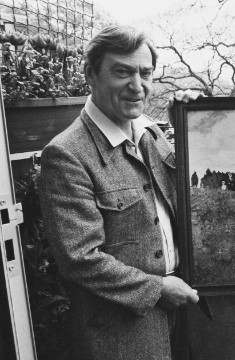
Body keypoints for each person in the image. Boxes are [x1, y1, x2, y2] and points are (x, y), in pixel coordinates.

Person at [39, 25, 199, 360]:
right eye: (122, 72)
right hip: (121, 333)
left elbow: (185, 197)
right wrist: (158, 289)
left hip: (181, 314)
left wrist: (189, 126)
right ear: (91, 75)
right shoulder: (67, 155)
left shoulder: (153, 132)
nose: (137, 86)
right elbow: (80, 260)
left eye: (145, 73)